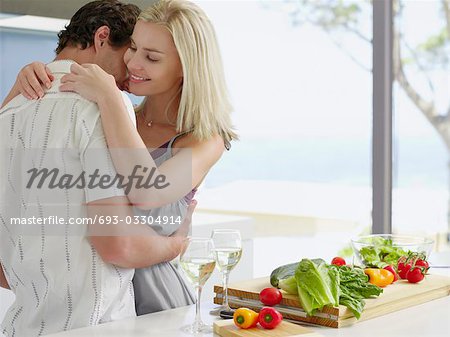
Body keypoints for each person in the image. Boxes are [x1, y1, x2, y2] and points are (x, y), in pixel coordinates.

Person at [8, 0, 238, 316]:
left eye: (151, 57)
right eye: (132, 48)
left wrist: (109, 97)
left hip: (155, 305)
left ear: (185, 67)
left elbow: (146, 191)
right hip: (87, 304)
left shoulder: (205, 139)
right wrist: (20, 91)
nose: (133, 63)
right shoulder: (114, 115)